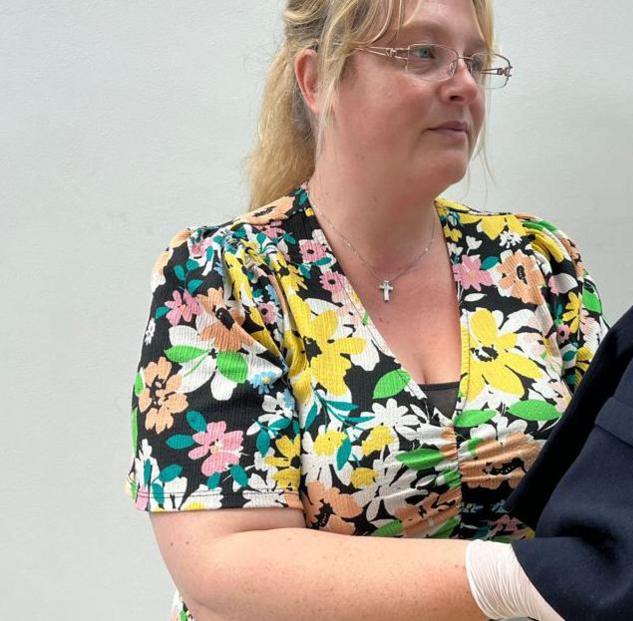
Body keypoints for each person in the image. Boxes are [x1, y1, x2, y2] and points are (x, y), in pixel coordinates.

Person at [125, 1, 604, 619]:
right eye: (423, 53)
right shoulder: (223, 275)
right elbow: (226, 563)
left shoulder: (535, 260)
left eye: (477, 62)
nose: (463, 85)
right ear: (317, 79)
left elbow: (623, 476)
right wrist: (506, 580)